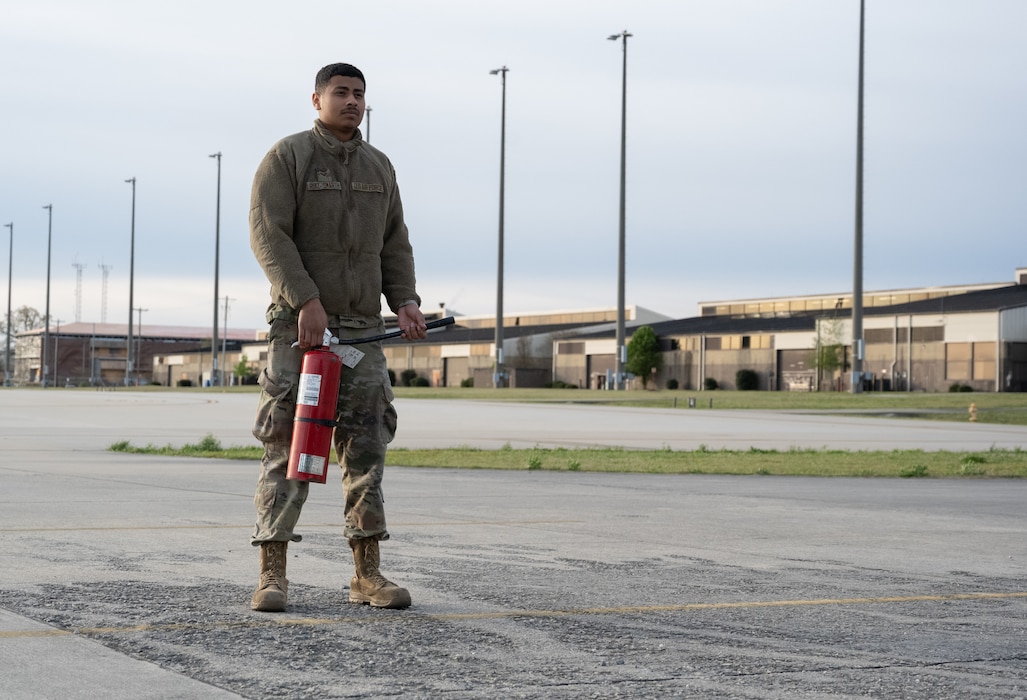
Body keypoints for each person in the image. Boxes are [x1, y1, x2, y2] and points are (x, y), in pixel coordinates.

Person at [248, 62, 427, 612]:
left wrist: (406, 300)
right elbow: (267, 233)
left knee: (367, 448)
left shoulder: (380, 166)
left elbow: (395, 241)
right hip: (300, 330)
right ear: (317, 99)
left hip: (363, 333)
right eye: (341, 93)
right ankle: (272, 574)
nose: (352, 102)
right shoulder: (289, 157)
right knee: (288, 446)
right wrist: (306, 299)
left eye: (359, 95)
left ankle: (366, 575)